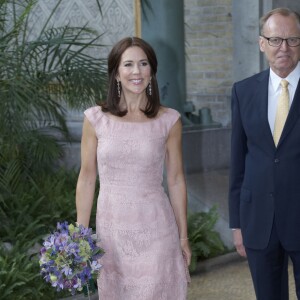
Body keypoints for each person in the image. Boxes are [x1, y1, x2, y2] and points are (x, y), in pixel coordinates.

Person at [76, 36, 191, 299]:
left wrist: (183, 237)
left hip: (157, 230)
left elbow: (175, 180)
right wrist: (80, 236)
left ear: (152, 71)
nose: (136, 71)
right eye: (128, 65)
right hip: (112, 235)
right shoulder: (95, 119)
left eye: (143, 64)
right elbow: (86, 178)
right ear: (116, 73)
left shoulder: (169, 120)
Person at [228, 7, 300, 300]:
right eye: (275, 40)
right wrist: (237, 223)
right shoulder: (243, 91)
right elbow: (237, 161)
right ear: (262, 43)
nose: (284, 47)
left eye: (292, 40)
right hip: (259, 220)